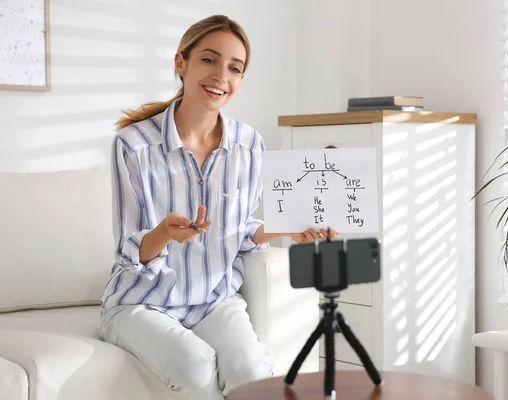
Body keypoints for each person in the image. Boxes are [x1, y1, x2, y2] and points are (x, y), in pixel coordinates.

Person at [99, 14, 337, 400]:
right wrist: (163, 234)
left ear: (241, 79)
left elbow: (242, 232)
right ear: (182, 63)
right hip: (140, 302)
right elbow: (129, 252)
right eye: (209, 60)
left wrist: (289, 228)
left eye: (234, 68)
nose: (220, 76)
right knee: (196, 368)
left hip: (214, 299)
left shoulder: (249, 145)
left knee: (252, 373)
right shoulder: (132, 145)